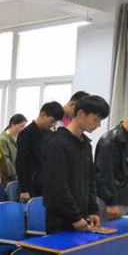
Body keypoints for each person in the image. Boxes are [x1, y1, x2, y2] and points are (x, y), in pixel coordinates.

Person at [44, 95, 109, 234]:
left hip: (82, 218)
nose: (98, 125)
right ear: (80, 114)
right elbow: (57, 185)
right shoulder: (57, 142)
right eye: (96, 119)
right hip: (61, 220)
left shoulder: (85, 145)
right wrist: (75, 216)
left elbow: (90, 181)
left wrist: (93, 210)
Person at [16, 102, 64, 202]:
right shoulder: (26, 134)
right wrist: (24, 189)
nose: (53, 125)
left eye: (55, 122)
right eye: (52, 121)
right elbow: (21, 163)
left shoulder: (50, 134)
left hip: (46, 185)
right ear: (42, 115)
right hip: (30, 186)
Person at [96, 117, 128, 222]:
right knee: (110, 230)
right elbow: (103, 174)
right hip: (112, 203)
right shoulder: (110, 141)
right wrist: (111, 203)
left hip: (123, 199)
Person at [0, 114, 27, 187]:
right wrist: (17, 176)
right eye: (21, 126)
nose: (23, 129)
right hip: (8, 180)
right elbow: (5, 161)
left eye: (24, 126)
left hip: (18, 178)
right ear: (13, 125)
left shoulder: (19, 138)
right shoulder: (3, 140)